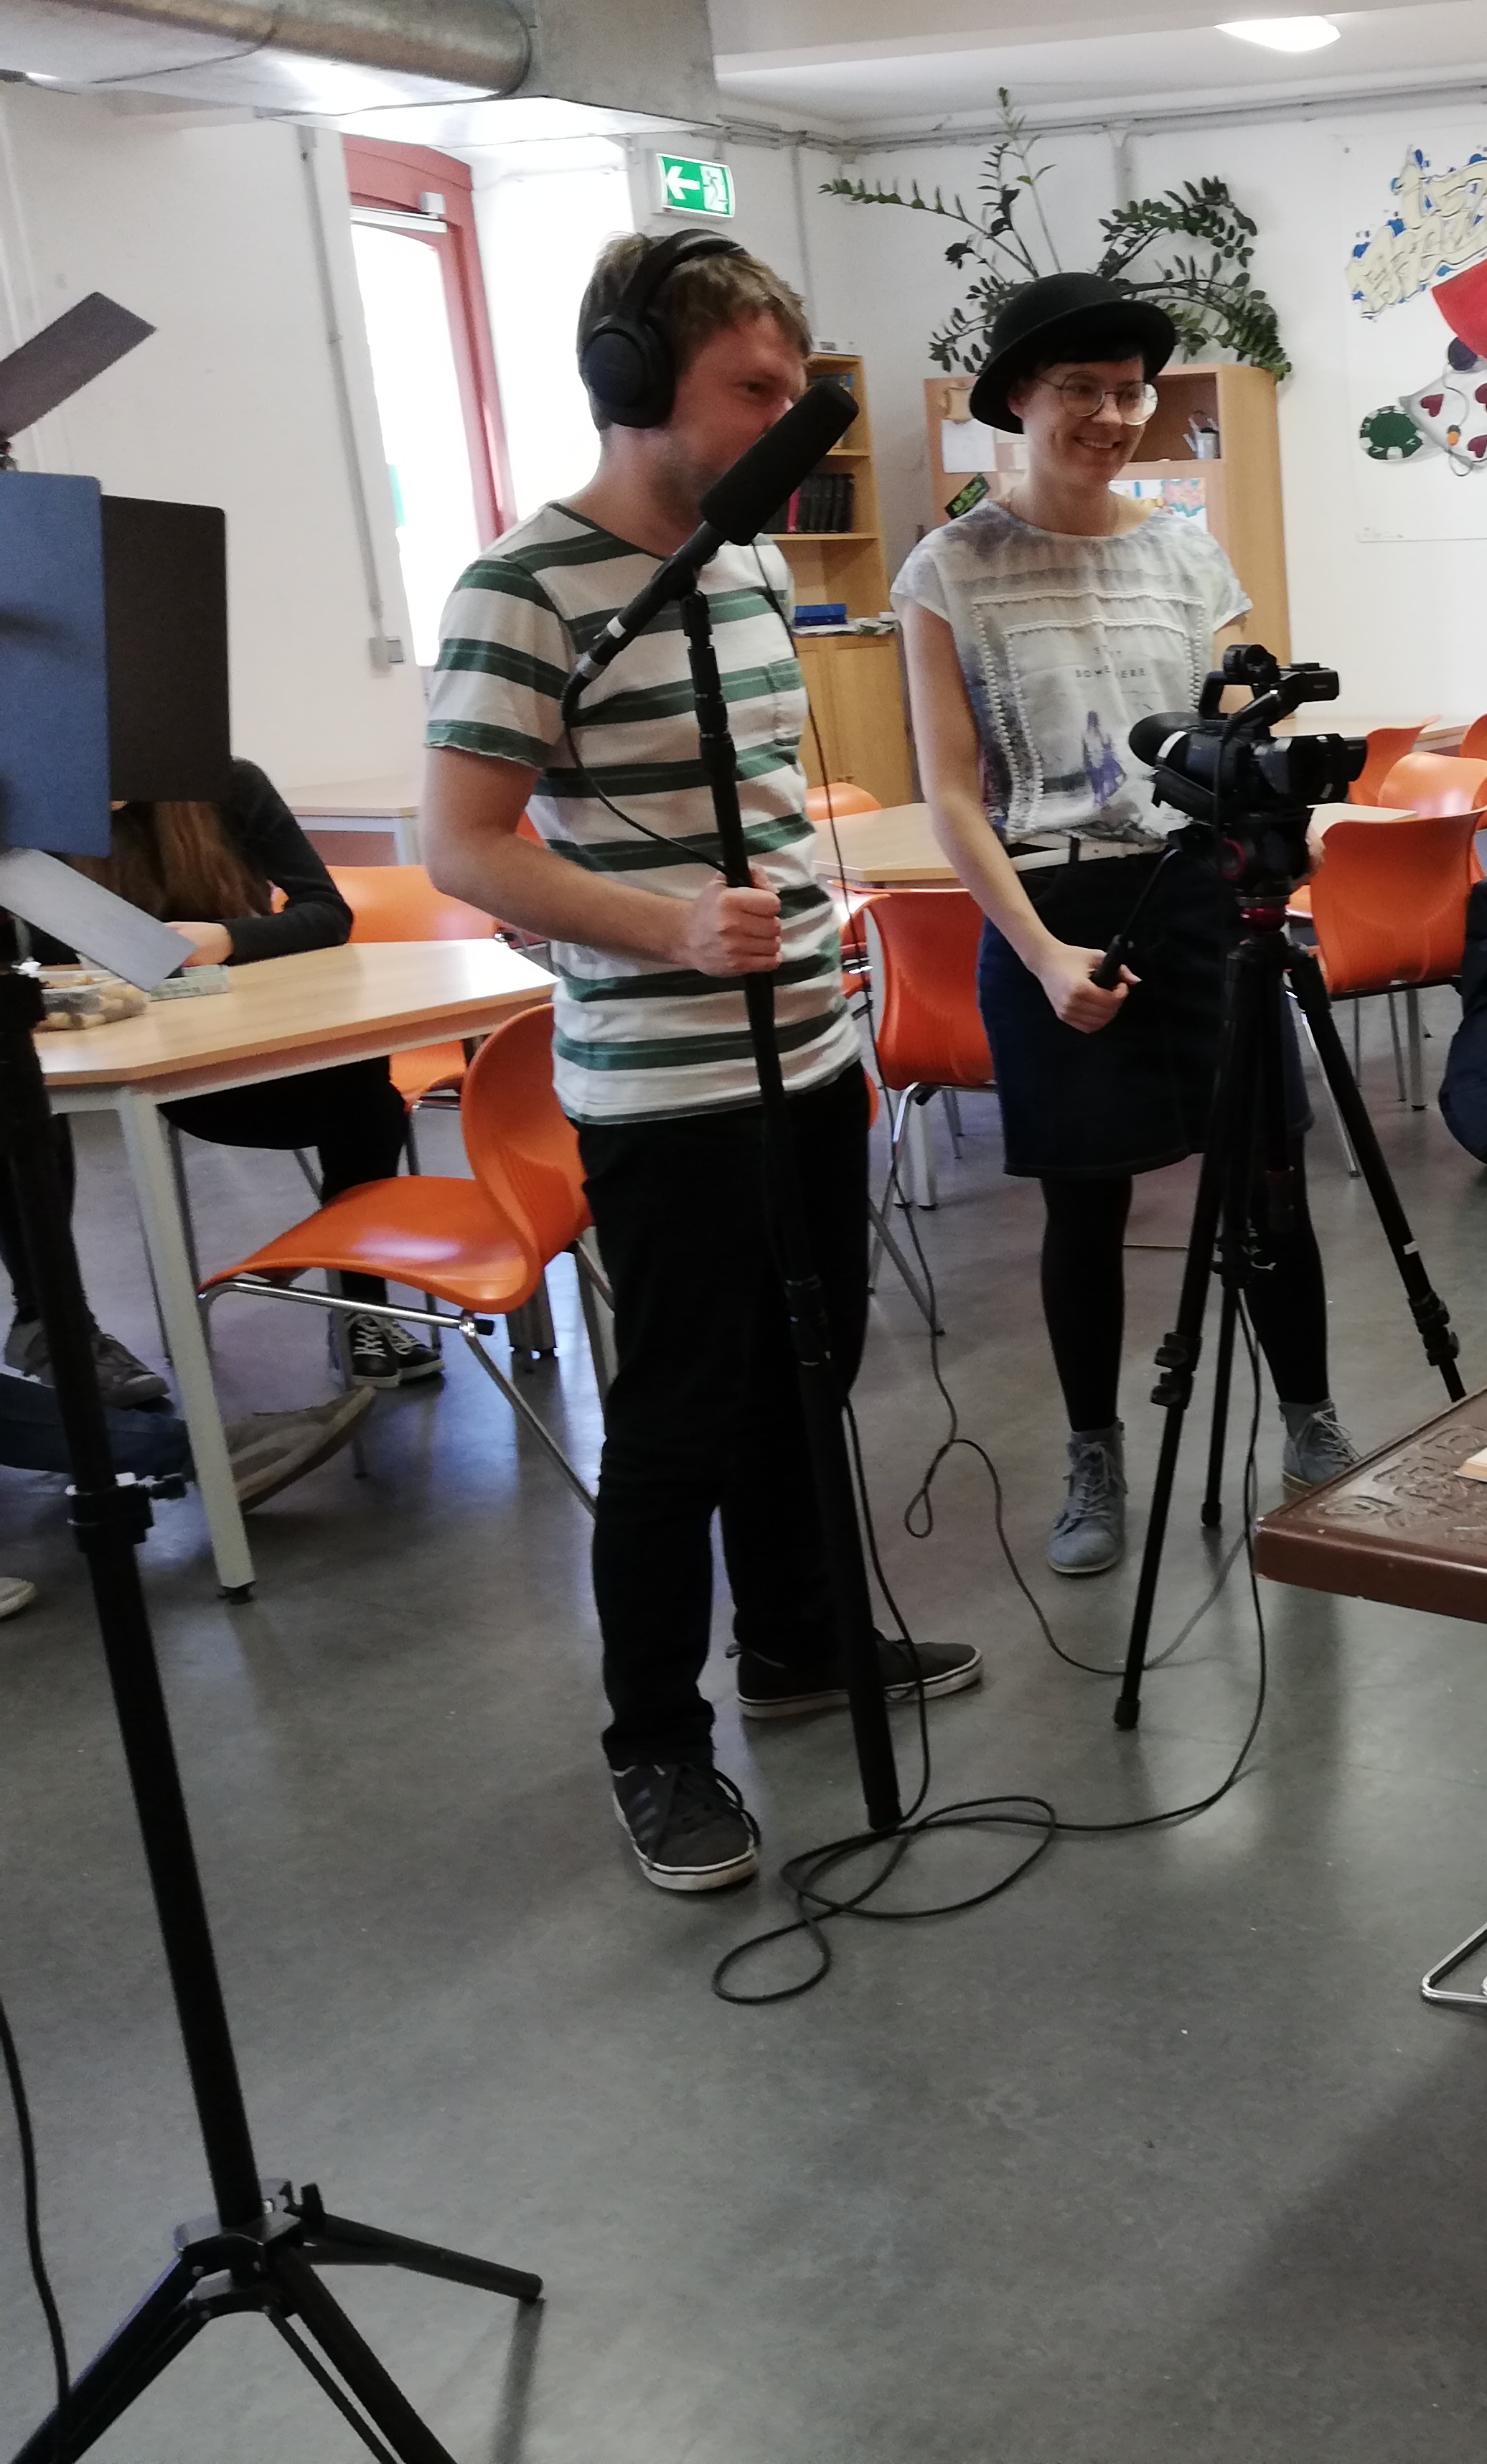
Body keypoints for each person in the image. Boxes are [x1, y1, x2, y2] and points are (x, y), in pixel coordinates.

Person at [423, 230, 977, 1896]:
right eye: (752, 389)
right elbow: (463, 843)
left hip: (808, 1048)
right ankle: (655, 1739)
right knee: (677, 1416)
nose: (784, 422)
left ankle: (796, 1640)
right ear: (635, 382)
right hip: (663, 1088)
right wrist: (663, 930)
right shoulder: (525, 587)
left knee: (812, 1366)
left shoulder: (746, 567)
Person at [892, 272, 1354, 1579]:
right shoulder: (949, 569)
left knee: (1264, 1175)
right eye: (1080, 391)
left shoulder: (1185, 555)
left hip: (1201, 892)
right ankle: (1093, 1453)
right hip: (1053, 907)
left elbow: (1231, 735)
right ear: (1018, 401)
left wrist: (1271, 830)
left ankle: (1311, 1418)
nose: (1110, 415)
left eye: (1129, 391)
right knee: (1083, 1205)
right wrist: (1040, 956)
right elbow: (951, 792)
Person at [0, 769, 436, 1401]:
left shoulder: (229, 784)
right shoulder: (32, 804)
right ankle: (51, 1322)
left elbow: (326, 913)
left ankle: (359, 1305)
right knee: (20, 1099)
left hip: (239, 1056)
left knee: (364, 1084)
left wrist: (228, 937)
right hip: (111, 1047)